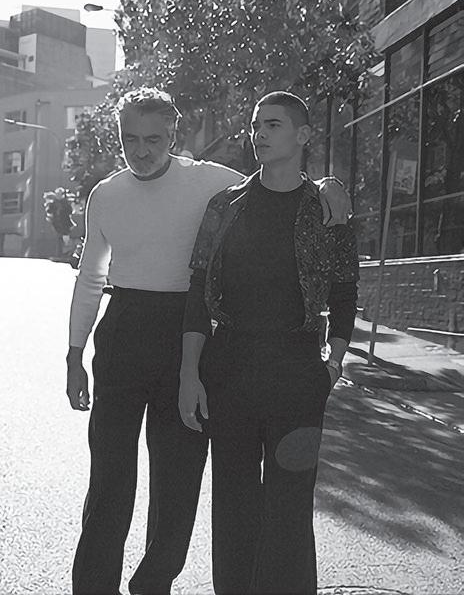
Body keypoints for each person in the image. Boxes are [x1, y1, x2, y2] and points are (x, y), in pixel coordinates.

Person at [66, 86, 349, 595]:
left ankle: (152, 583)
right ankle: (93, 586)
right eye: (130, 140)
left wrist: (330, 185)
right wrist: (73, 353)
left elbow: (279, 182)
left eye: (153, 140)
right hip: (124, 331)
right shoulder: (106, 194)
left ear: (173, 136)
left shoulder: (213, 183)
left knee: (177, 485)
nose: (140, 151)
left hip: (187, 335)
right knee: (109, 477)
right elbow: (90, 277)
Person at [179, 91, 359, 595]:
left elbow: (346, 290)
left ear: (303, 136)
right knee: (233, 504)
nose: (259, 133)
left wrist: (333, 362)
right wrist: (190, 373)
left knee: (290, 509)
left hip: (297, 372)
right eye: (256, 125)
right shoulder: (225, 206)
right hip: (230, 367)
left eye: (273, 125)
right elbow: (198, 288)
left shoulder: (326, 209)